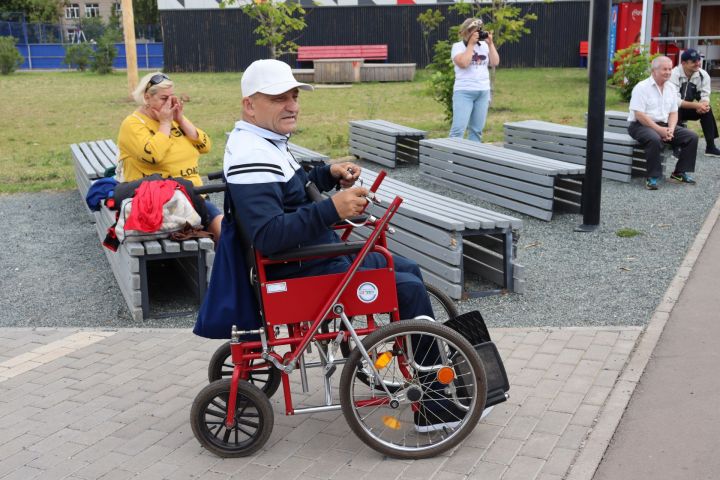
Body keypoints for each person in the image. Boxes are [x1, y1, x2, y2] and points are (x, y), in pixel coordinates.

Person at [224, 59, 461, 431]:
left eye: (294, 95)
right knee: (409, 286)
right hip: (298, 270)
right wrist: (331, 209)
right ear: (249, 105)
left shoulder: (262, 141)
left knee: (408, 269)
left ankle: (429, 375)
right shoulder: (251, 156)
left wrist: (326, 174)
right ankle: (431, 405)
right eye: (278, 98)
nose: (292, 104)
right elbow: (268, 235)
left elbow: (291, 192)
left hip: (308, 259)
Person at [117, 72, 222, 239]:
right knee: (224, 231)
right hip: (163, 200)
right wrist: (165, 124)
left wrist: (180, 120)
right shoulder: (133, 124)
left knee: (228, 230)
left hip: (194, 194)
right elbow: (153, 155)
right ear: (147, 98)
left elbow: (205, 146)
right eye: (163, 98)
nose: (170, 103)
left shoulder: (172, 117)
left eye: (172, 97)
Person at [627, 56, 699, 190]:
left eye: (670, 69)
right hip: (640, 125)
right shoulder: (641, 87)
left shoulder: (671, 88)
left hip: (664, 125)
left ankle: (679, 173)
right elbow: (639, 114)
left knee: (691, 137)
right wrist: (659, 130)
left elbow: (673, 112)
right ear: (654, 71)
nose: (668, 72)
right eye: (664, 69)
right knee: (654, 138)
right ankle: (652, 177)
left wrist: (670, 129)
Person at [448, 17, 500, 143]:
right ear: (467, 32)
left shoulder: (484, 46)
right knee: (458, 130)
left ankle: (472, 160)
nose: (478, 33)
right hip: (464, 92)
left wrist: (490, 44)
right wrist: (470, 45)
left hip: (483, 91)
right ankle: (451, 160)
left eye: (479, 30)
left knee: (477, 131)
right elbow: (464, 63)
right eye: (474, 31)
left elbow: (495, 62)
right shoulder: (458, 47)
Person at [669, 48, 720, 157]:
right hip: (670, 110)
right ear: (683, 63)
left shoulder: (703, 75)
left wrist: (703, 105)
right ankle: (676, 147)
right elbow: (675, 101)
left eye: (698, 60)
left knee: (707, 110)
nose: (698, 63)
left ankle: (710, 147)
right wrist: (697, 105)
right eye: (694, 61)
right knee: (675, 109)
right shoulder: (674, 74)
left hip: (688, 108)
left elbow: (705, 95)